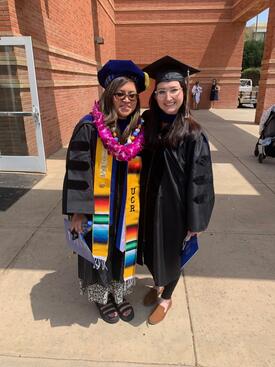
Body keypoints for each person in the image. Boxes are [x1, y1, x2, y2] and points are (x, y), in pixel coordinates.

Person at [62, 60, 149, 324]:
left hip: (127, 205)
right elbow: (78, 171)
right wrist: (77, 211)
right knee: (100, 250)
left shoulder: (138, 130)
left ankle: (118, 292)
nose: (126, 100)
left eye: (132, 95)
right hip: (98, 206)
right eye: (120, 94)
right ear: (108, 94)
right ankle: (103, 297)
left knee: (122, 247)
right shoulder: (89, 126)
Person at [138, 55, 215, 325]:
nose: (168, 97)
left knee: (171, 255)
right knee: (150, 249)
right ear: (154, 94)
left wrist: (195, 221)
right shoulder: (147, 121)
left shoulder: (193, 133)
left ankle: (166, 297)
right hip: (147, 203)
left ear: (183, 90)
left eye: (173, 90)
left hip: (175, 210)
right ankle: (158, 284)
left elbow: (200, 180)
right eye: (161, 91)